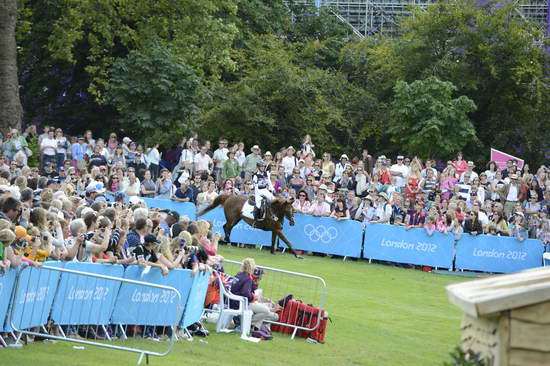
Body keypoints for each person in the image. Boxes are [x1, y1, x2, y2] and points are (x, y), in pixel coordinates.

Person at [230, 258, 278, 332]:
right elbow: (246, 294)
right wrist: (253, 297)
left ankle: (254, 328)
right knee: (266, 311)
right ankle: (244, 325)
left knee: (270, 313)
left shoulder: (239, 275)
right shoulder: (247, 278)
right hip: (241, 303)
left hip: (234, 301)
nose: (262, 277)